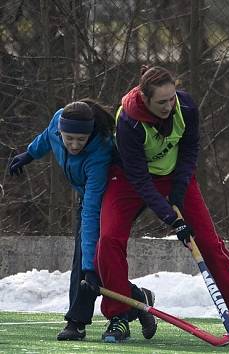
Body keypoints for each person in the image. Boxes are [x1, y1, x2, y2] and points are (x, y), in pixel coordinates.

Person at [95, 66, 229, 344]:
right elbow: (140, 179)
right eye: (161, 102)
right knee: (108, 239)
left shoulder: (186, 106)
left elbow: (190, 150)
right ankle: (118, 316)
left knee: (210, 243)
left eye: (171, 98)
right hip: (130, 179)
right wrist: (171, 218)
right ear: (145, 98)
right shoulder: (128, 120)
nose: (169, 105)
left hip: (175, 176)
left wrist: (178, 191)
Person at [8, 99, 157, 341]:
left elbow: (90, 212)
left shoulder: (99, 152)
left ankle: (76, 322)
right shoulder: (57, 121)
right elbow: (47, 137)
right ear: (61, 130)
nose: (75, 145)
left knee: (87, 259)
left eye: (81, 139)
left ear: (90, 135)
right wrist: (29, 153)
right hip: (88, 194)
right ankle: (138, 299)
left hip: (111, 194)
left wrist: (88, 267)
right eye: (69, 139)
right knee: (96, 263)